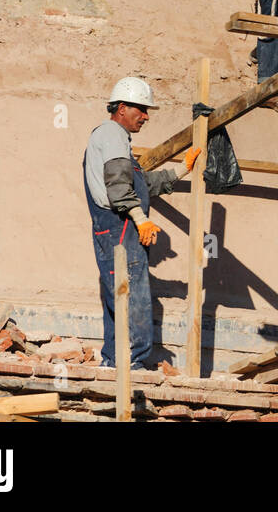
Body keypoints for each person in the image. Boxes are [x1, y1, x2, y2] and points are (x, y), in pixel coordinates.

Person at [82, 76, 199, 369]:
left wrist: (183, 169)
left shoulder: (114, 140)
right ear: (121, 107)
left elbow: (141, 182)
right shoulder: (111, 133)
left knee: (119, 295)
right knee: (133, 295)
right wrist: (142, 220)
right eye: (141, 109)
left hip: (115, 228)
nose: (146, 116)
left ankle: (114, 362)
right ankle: (132, 366)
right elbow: (119, 186)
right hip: (120, 226)